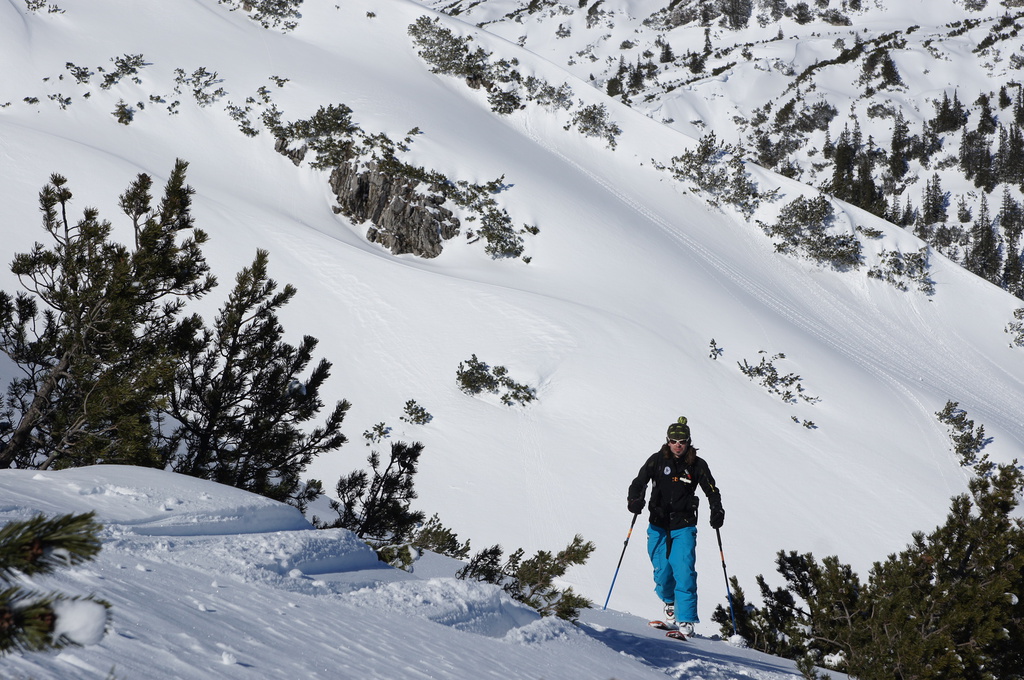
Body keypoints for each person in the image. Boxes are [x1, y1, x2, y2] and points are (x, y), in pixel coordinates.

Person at [627, 417, 724, 634]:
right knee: (662, 573)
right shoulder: (657, 461)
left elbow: (711, 490)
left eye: (682, 441)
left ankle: (686, 620)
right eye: (673, 441)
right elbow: (639, 482)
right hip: (658, 524)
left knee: (684, 571)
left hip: (684, 525)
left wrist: (717, 510)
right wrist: (634, 500)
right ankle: (669, 604)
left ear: (689, 442)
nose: (678, 445)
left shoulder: (697, 465)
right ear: (667, 441)